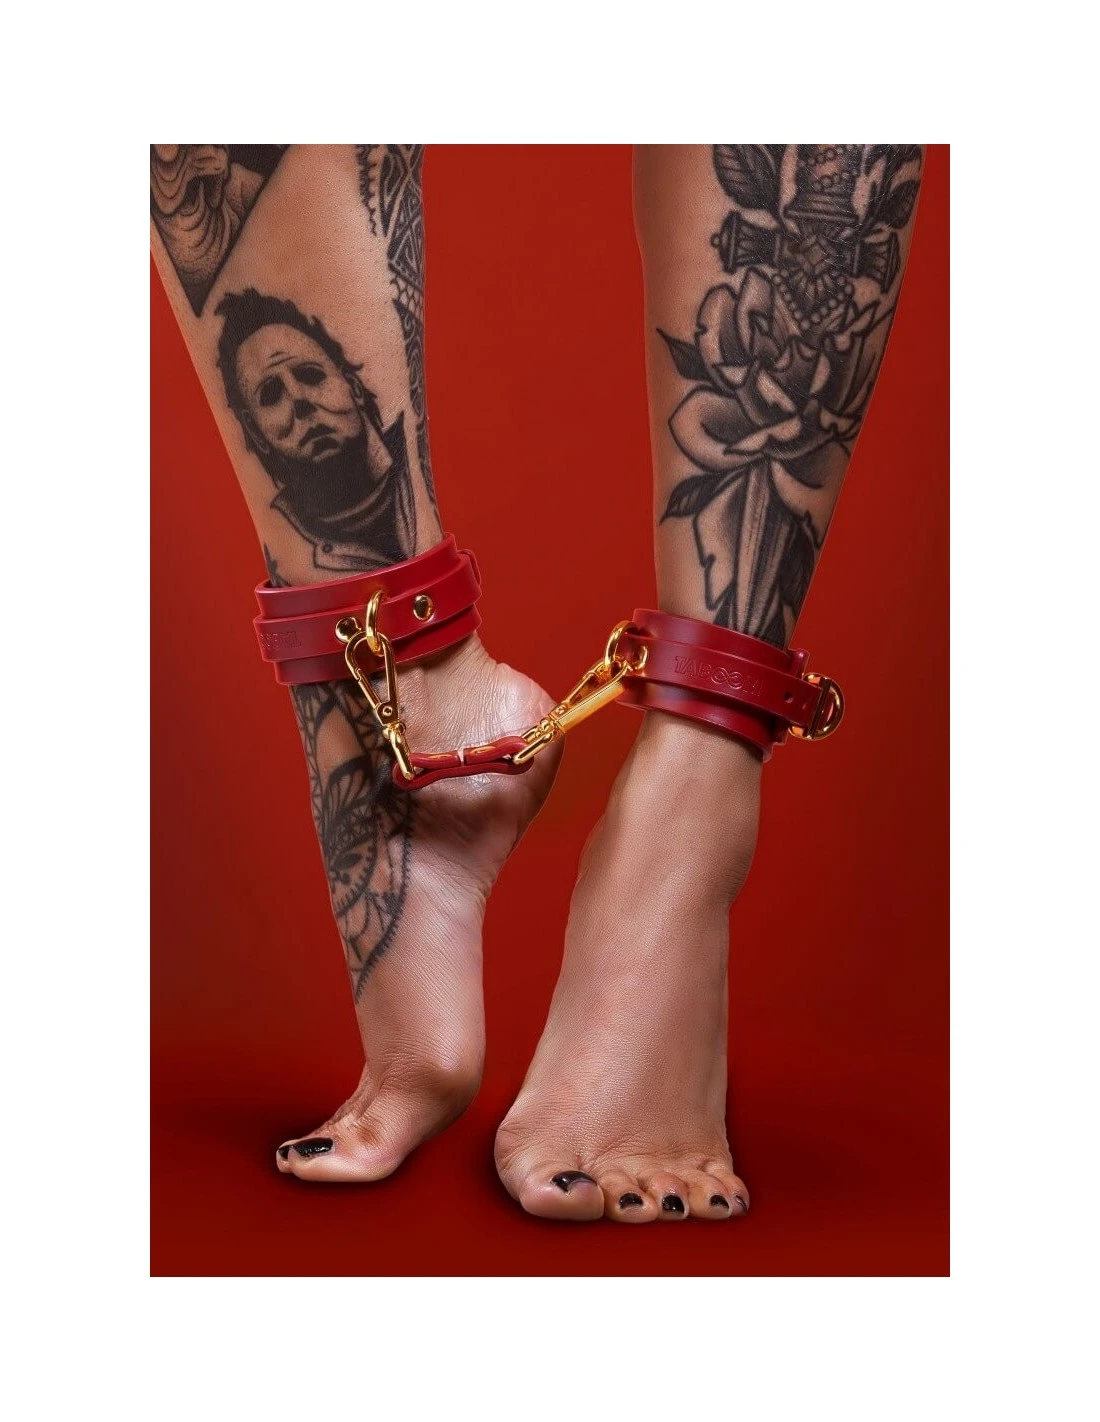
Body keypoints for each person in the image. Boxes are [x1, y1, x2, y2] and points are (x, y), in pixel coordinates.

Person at [151, 143, 923, 1222]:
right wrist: (380, 663)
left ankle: (689, 807)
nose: (296, 407)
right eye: (270, 394)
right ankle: (404, 708)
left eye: (308, 379)